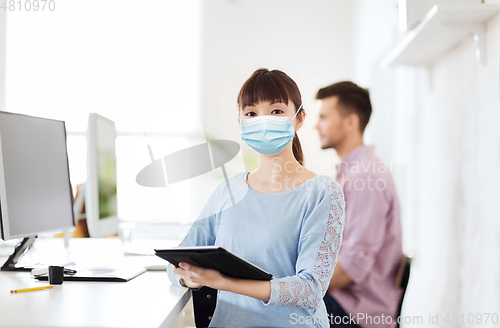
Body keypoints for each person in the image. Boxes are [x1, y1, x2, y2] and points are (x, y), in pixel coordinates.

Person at [167, 68, 346, 327]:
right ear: (240, 122)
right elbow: (176, 262)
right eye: (251, 113)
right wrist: (188, 277)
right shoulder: (227, 192)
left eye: (276, 111)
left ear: (299, 119)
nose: (263, 120)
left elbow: (310, 290)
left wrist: (222, 282)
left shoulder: (322, 193)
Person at [315, 81, 403, 328]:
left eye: (323, 117)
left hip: (356, 314)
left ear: (350, 122)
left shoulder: (365, 176)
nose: (315, 125)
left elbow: (352, 267)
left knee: (262, 306)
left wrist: (297, 286)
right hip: (344, 302)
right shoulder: (353, 172)